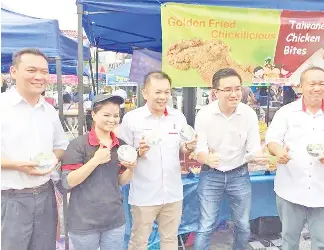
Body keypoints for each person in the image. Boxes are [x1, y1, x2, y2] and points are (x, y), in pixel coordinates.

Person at [266, 66, 324, 250]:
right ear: (301, 86)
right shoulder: (286, 112)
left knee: (322, 243)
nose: (317, 88)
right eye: (312, 83)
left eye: (322, 83)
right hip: (291, 187)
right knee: (289, 240)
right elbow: (272, 140)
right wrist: (279, 151)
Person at [119, 71, 197, 250]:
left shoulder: (178, 117)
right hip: (144, 193)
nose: (163, 97)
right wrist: (138, 152)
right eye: (158, 92)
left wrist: (189, 147)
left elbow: (182, 148)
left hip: (173, 192)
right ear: (145, 93)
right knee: (139, 242)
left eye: (167, 92)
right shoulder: (132, 119)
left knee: (170, 240)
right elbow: (122, 154)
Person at [1, 48, 69, 250]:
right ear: (14, 72)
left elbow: (60, 146)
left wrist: (52, 161)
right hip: (9, 198)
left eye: (44, 72)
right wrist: (16, 166)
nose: (39, 77)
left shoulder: (48, 110)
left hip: (45, 194)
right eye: (31, 70)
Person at [194, 68, 266, 250]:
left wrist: (258, 156)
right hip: (211, 175)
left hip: (239, 174)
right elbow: (198, 150)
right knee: (205, 226)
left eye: (238, 88)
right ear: (215, 92)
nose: (234, 94)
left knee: (243, 225)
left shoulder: (248, 113)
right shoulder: (204, 114)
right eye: (227, 90)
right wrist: (207, 159)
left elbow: (253, 146)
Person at [60, 94, 136, 250]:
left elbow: (121, 181)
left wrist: (131, 168)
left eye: (116, 115)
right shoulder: (78, 145)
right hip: (84, 222)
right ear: (94, 115)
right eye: (106, 115)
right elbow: (67, 182)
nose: (112, 119)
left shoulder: (120, 145)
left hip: (114, 220)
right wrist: (95, 160)